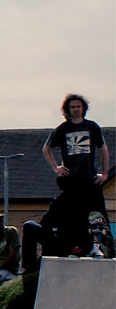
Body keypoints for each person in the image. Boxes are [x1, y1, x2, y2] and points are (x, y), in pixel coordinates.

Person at [22, 95, 111, 271]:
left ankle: (105, 246)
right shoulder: (62, 129)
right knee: (76, 214)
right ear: (68, 110)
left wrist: (105, 174)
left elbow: (104, 150)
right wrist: (56, 168)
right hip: (72, 180)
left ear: (83, 108)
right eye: (73, 107)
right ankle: (79, 247)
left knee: (99, 215)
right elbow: (46, 149)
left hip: (90, 179)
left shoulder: (92, 127)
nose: (76, 110)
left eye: (79, 106)